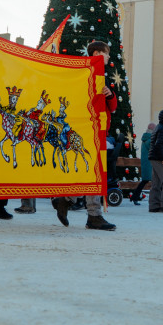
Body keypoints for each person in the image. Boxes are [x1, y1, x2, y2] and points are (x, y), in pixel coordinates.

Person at [51, 40, 117, 231]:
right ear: (97, 53)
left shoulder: (101, 77)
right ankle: (93, 215)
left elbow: (111, 108)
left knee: (88, 169)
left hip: (98, 130)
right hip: (88, 129)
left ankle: (67, 199)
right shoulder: (82, 71)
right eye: (106, 53)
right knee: (91, 169)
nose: (109, 57)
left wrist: (109, 95)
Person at [128, 122, 155, 205]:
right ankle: (135, 197)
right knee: (149, 181)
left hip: (146, 163)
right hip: (149, 163)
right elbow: (154, 150)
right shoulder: (150, 140)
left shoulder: (146, 138)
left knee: (145, 181)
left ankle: (134, 197)